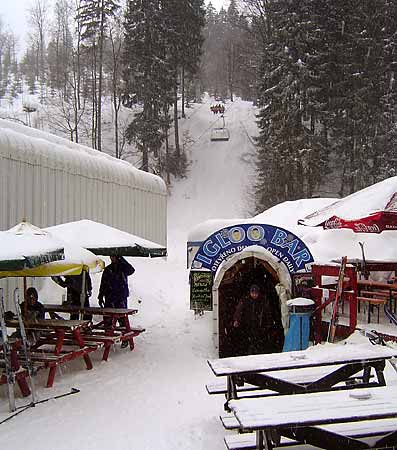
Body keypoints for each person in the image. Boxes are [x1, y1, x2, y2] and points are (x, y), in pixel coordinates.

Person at [232, 284, 284, 356]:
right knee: (248, 339)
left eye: (256, 293)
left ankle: (257, 352)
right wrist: (237, 320)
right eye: (252, 293)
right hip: (247, 323)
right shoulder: (245, 300)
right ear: (250, 293)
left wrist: (270, 322)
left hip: (259, 324)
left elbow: (268, 312)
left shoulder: (263, 300)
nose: (254, 295)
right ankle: (248, 352)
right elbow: (239, 310)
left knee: (258, 339)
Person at [98, 256, 135, 347]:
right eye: (111, 256)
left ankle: (125, 338)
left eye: (114, 256)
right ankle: (108, 338)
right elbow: (103, 283)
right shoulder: (108, 269)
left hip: (120, 297)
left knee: (122, 318)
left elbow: (131, 270)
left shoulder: (123, 267)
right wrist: (100, 295)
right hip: (110, 296)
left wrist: (121, 259)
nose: (112, 258)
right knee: (107, 318)